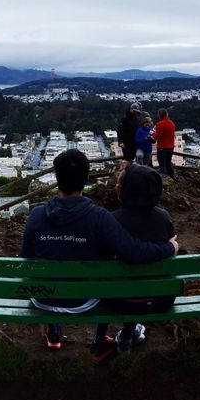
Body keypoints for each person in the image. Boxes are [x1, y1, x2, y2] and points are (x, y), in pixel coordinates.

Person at [20, 149, 179, 363]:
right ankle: (100, 343)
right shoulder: (99, 217)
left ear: (57, 179)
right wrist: (170, 248)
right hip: (83, 300)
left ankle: (53, 330)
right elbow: (134, 251)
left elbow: (25, 259)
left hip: (42, 298)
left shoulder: (36, 215)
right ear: (86, 179)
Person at [104, 164, 176, 351]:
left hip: (118, 301)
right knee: (141, 280)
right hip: (160, 299)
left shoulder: (112, 220)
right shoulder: (163, 218)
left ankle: (123, 335)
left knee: (126, 281)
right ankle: (129, 332)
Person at [153, 108, 176, 178]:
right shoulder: (172, 123)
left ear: (159, 115)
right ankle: (172, 177)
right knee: (168, 164)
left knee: (162, 165)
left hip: (162, 148)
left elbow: (157, 136)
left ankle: (163, 180)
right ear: (166, 114)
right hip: (170, 147)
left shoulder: (159, 124)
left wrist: (152, 135)